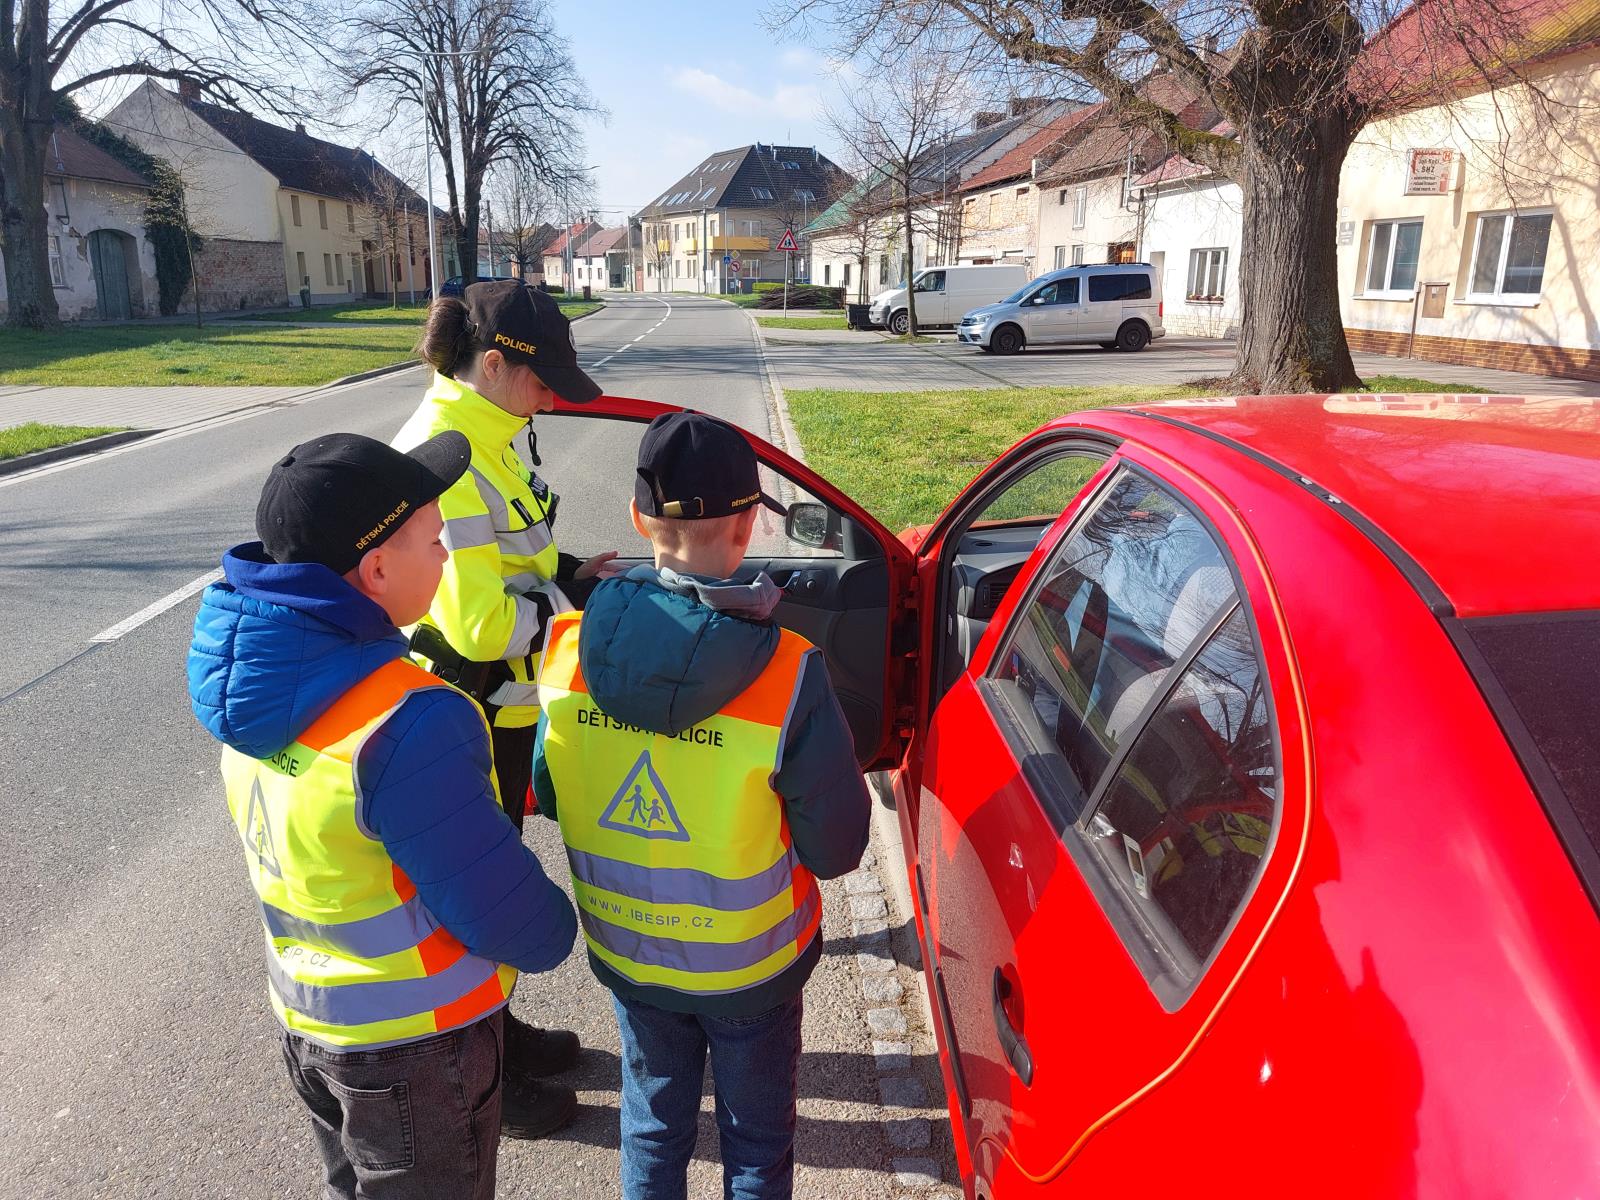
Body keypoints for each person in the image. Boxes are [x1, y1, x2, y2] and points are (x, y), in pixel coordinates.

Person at [186, 431, 578, 1197]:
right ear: (376, 571)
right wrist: (557, 927)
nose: (447, 556)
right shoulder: (410, 718)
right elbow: (506, 914)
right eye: (434, 541)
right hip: (413, 1049)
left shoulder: (255, 685)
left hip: (308, 1021)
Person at [531, 412, 872, 1200]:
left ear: (637, 518)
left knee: (653, 1125)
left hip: (630, 952)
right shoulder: (789, 673)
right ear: (750, 525)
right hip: (753, 968)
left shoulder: (567, 650)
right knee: (756, 1143)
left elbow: (548, 793)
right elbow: (837, 848)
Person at [395, 279, 618, 1134]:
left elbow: (517, 553)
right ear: (493, 364)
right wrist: (570, 609)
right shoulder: (448, 458)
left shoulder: (495, 432)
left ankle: (500, 1029)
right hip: (470, 711)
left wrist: (566, 571)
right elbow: (482, 626)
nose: (552, 398)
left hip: (505, 708)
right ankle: (482, 1078)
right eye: (541, 380)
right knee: (476, 897)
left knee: (499, 874)